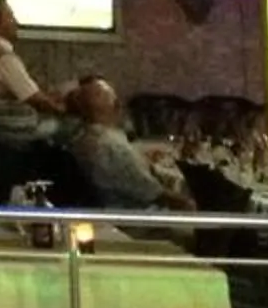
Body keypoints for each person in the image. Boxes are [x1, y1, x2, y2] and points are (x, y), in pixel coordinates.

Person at [0, 0, 70, 197]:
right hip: (10, 144)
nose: (16, 22)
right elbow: (35, 99)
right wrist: (68, 109)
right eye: (10, 16)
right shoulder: (2, 56)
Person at [66, 76, 190, 232]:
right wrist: (192, 205)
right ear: (116, 107)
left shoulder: (81, 138)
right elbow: (156, 193)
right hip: (138, 222)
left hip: (111, 211)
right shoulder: (111, 146)